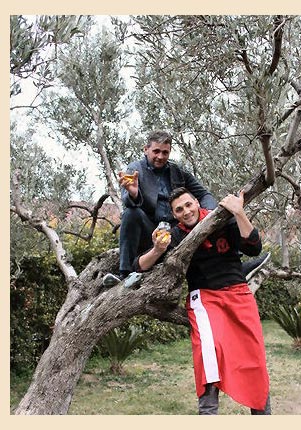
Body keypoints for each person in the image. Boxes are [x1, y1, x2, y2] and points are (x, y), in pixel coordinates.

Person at [135, 187, 271, 414]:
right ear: (174, 214)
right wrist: (158, 250)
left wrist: (239, 212)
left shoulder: (221, 219)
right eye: (179, 210)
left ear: (197, 202)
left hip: (239, 293)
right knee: (208, 355)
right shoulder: (175, 236)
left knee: (254, 358)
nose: (186, 211)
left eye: (188, 205)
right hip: (205, 298)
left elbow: (254, 247)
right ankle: (208, 414)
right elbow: (140, 266)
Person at [107, 130, 268, 286]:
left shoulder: (177, 171)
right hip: (151, 233)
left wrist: (210, 215)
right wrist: (134, 194)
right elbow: (128, 203)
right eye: (156, 151)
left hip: (177, 230)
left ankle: (238, 268)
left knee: (213, 218)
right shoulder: (135, 170)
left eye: (165, 152)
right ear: (146, 149)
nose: (160, 157)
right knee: (130, 214)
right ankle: (125, 274)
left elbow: (204, 195)